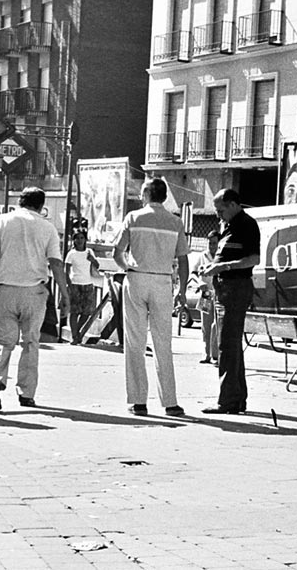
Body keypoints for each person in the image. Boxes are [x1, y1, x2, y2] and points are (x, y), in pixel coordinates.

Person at [0, 187, 69, 411]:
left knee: (2, 340)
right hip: (34, 292)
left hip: (4, 289)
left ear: (20, 202)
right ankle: (26, 393)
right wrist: (64, 293)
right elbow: (56, 263)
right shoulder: (47, 227)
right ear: (41, 206)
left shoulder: (3, 221)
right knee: (30, 342)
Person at [112, 178, 189, 417]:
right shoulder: (175, 222)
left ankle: (138, 401)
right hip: (163, 281)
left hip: (137, 278)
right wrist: (182, 290)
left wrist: (128, 268)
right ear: (164, 197)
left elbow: (117, 252)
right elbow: (184, 259)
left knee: (135, 341)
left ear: (145, 195)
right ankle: (170, 402)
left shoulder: (133, 218)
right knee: (162, 343)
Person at [201, 189, 260, 415]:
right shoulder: (228, 226)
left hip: (236, 289)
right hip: (224, 289)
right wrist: (212, 267)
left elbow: (253, 258)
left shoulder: (246, 224)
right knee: (231, 346)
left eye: (221, 210)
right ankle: (236, 399)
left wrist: (223, 266)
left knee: (227, 345)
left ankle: (227, 401)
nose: (219, 216)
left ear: (234, 204)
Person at [64, 229, 100, 345]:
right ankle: (75, 336)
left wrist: (92, 260)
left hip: (87, 284)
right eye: (77, 238)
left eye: (81, 238)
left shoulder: (89, 252)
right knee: (74, 312)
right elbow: (66, 271)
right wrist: (70, 286)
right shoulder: (71, 254)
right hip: (75, 284)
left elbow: (97, 266)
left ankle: (77, 332)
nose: (79, 240)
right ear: (74, 240)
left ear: (85, 240)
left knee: (86, 312)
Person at [196, 230, 221, 364]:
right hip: (205, 294)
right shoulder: (202, 256)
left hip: (218, 293)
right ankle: (205, 354)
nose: (212, 246)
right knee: (205, 325)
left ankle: (214, 355)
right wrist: (199, 282)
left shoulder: (221, 256)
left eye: (214, 243)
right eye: (210, 243)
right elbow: (193, 273)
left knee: (216, 324)